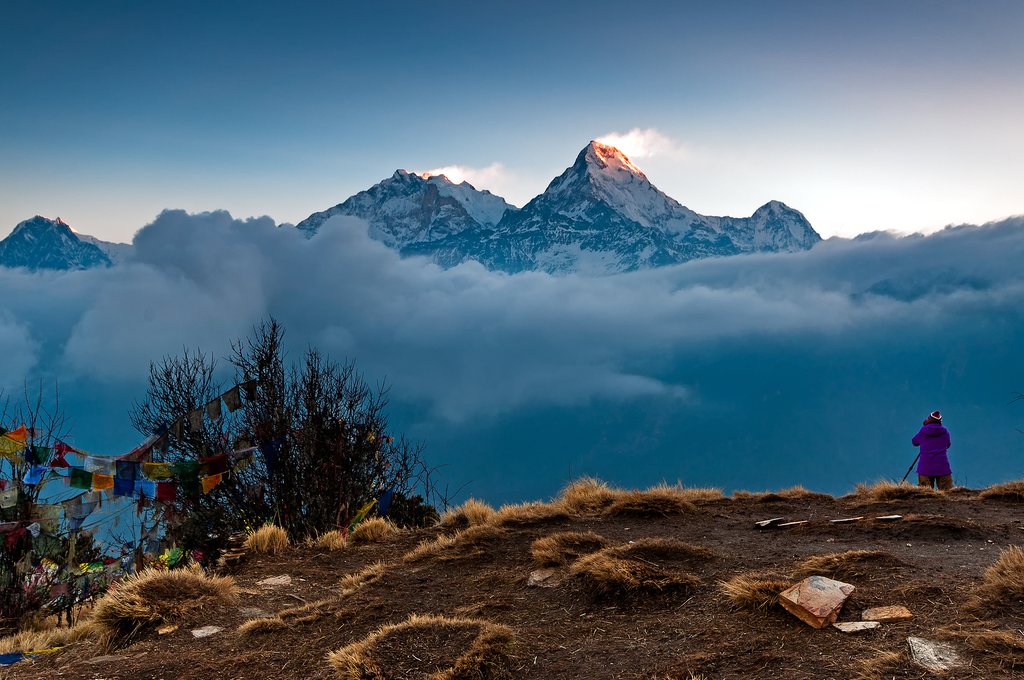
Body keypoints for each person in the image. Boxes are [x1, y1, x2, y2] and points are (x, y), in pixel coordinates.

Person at [912, 410, 952, 490]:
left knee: (925, 495)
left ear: (929, 420)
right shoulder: (944, 431)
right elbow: (948, 444)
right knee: (948, 493)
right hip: (942, 467)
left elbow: (914, 442)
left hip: (925, 468)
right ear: (940, 421)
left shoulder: (923, 431)